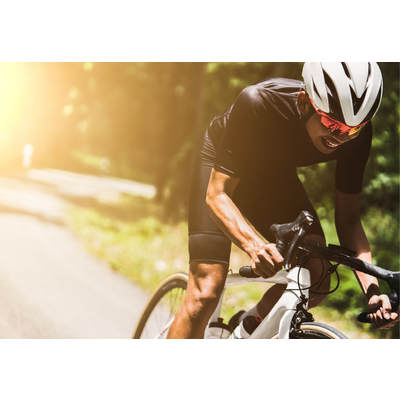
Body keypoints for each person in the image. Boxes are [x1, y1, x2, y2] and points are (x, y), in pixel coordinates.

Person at [167, 62, 399, 339]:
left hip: (274, 177)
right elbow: (217, 195)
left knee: (320, 277)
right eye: (331, 123)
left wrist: (372, 292)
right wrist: (254, 246)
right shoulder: (259, 102)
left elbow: (348, 221)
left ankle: (250, 325)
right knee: (206, 292)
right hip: (222, 174)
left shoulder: (356, 139)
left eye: (352, 130)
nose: (340, 137)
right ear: (304, 102)